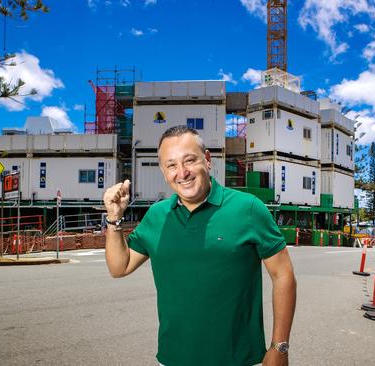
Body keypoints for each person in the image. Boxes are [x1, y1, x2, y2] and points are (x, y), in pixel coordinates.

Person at [103, 126, 296, 366]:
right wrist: (113, 219)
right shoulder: (157, 216)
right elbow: (119, 267)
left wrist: (280, 347)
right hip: (173, 358)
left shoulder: (248, 209)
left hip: (239, 359)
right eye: (171, 165)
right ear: (164, 172)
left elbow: (283, 275)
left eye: (189, 160)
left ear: (207, 160)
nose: (182, 173)